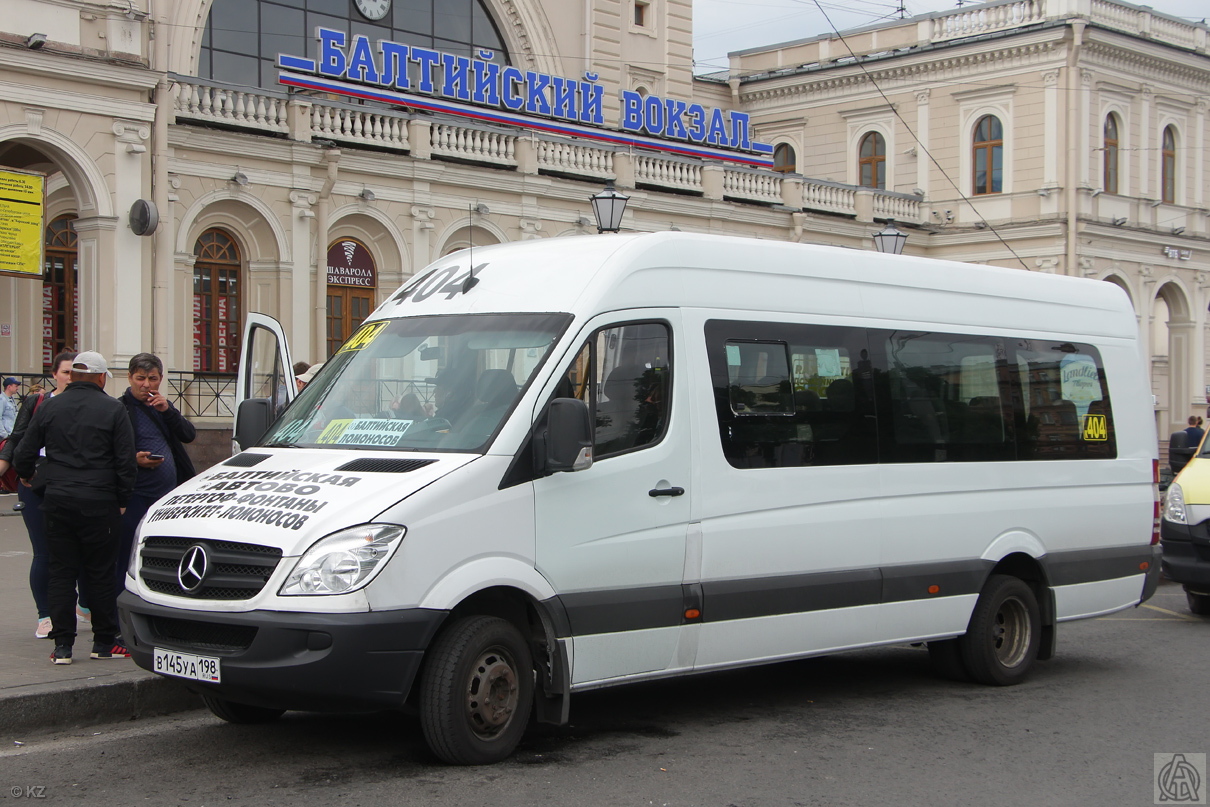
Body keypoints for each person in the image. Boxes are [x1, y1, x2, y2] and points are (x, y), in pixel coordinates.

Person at [13, 351, 136, 664]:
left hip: (58, 500)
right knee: (101, 574)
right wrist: (122, 499)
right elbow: (125, 461)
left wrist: (29, 476)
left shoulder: (51, 406)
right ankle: (104, 643)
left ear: (75, 376)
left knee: (61, 572)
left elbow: (25, 451)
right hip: (100, 502)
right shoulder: (113, 408)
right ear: (100, 377)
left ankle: (63, 646)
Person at [0, 353, 93, 638]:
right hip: (36, 484)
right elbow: (17, 437)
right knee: (44, 553)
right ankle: (45, 615)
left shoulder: (92, 405)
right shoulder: (38, 402)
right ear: (55, 374)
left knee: (83, 552)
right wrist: (5, 465)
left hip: (77, 485)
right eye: (65, 372)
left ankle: (85, 606)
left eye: (74, 372)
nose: (69, 377)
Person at [118, 353, 197, 595]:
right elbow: (106, 450)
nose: (146, 385)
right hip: (135, 493)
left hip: (166, 495)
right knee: (128, 553)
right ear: (130, 378)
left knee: (165, 553)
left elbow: (188, 435)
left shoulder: (163, 407)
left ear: (160, 379)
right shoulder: (120, 408)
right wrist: (134, 460)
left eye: (152, 379)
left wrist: (167, 411)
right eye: (140, 378)